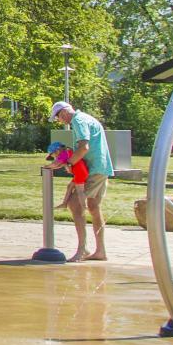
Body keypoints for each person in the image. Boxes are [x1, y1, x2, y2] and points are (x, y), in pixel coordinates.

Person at [52, 100, 113, 261]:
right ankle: (101, 251)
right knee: (93, 206)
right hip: (102, 167)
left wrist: (69, 163)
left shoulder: (78, 121)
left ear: (63, 113)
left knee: (74, 203)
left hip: (93, 169)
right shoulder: (86, 118)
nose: (60, 121)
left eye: (58, 117)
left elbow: (84, 147)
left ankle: (82, 249)